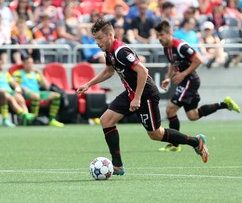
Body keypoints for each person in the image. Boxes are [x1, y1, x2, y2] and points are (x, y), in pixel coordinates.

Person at [76, 18, 210, 176]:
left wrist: (137, 98)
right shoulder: (109, 51)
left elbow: (142, 71)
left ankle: (196, 141)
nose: (97, 42)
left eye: (99, 38)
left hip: (145, 94)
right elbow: (108, 71)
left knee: (156, 134)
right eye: (95, 39)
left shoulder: (121, 51)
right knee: (106, 120)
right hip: (131, 93)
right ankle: (118, 165)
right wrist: (88, 84)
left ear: (110, 35)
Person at [154, 20, 241, 152]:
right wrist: (168, 77)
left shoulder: (180, 46)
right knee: (193, 115)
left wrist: (183, 74)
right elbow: (173, 63)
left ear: (169, 33)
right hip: (186, 81)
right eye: (158, 35)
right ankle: (224, 104)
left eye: (161, 35)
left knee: (170, 110)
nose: (159, 38)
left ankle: (174, 144)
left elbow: (198, 60)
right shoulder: (167, 48)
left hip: (190, 80)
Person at [0, 54, 36, 125]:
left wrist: (17, 88)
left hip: (8, 91)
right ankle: (23, 114)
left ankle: (26, 119)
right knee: (6, 95)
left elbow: (13, 82)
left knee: (19, 97)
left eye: (0, 63)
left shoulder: (5, 74)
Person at [12, 56, 64, 127]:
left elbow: (46, 86)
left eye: (31, 63)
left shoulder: (35, 74)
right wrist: (22, 88)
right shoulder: (18, 73)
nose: (30, 65)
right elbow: (14, 83)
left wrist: (40, 73)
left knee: (56, 96)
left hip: (37, 92)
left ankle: (52, 119)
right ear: (23, 63)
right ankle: (33, 119)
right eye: (28, 63)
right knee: (36, 96)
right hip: (26, 93)